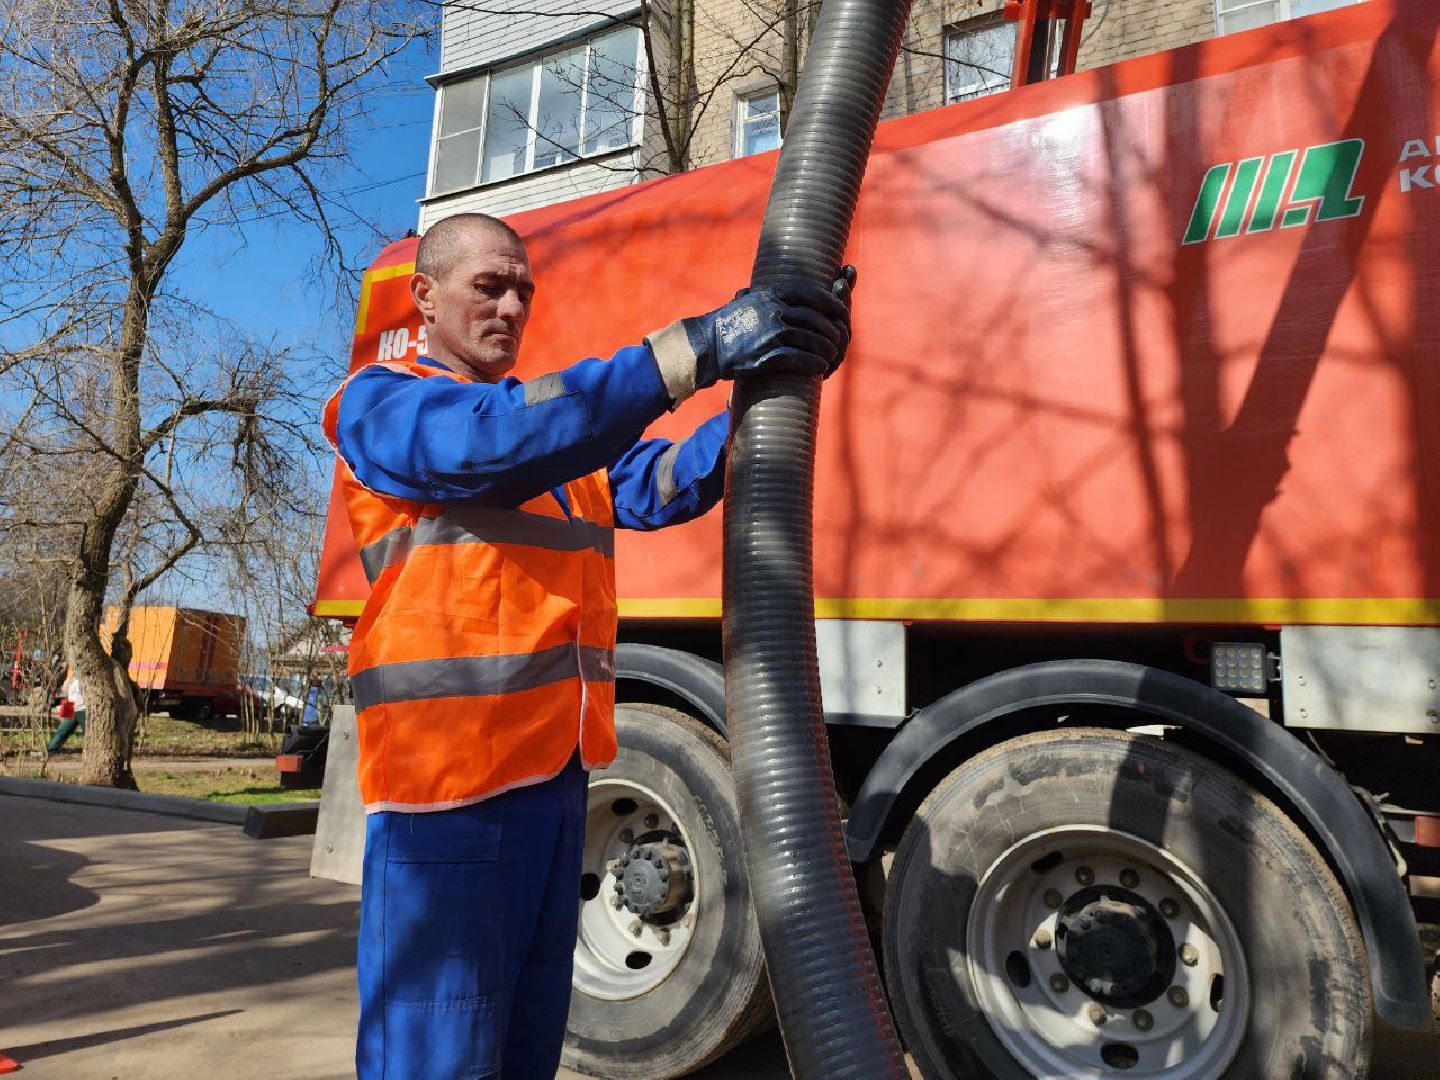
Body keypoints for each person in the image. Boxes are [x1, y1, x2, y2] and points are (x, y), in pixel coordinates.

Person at [323, 211, 855, 1080]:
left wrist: (783, 377)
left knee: (526, 1043)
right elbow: (489, 444)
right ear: (423, 297)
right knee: (440, 1052)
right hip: (448, 791)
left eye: (522, 290)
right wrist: (697, 347)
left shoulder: (558, 446)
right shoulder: (384, 402)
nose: (511, 306)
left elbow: (668, 482)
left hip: (554, 781)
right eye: (487, 286)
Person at [46, 675, 85, 753]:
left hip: (83, 708)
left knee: (88, 730)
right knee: (63, 729)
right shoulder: (71, 677)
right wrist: (69, 679)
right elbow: (65, 691)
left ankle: (93, 749)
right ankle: (50, 749)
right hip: (71, 706)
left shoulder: (86, 677)